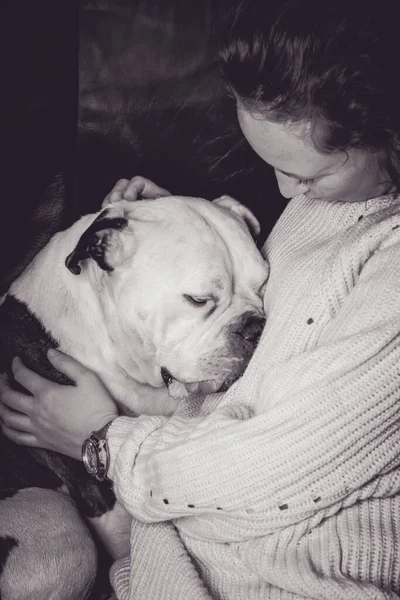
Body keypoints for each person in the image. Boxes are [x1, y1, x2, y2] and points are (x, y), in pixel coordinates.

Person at [1, 0, 400, 598]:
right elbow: (274, 361)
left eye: (308, 176)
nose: (285, 192)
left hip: (276, 572)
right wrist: (179, 224)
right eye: (270, 165)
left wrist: (101, 440)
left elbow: (273, 468)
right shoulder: (332, 204)